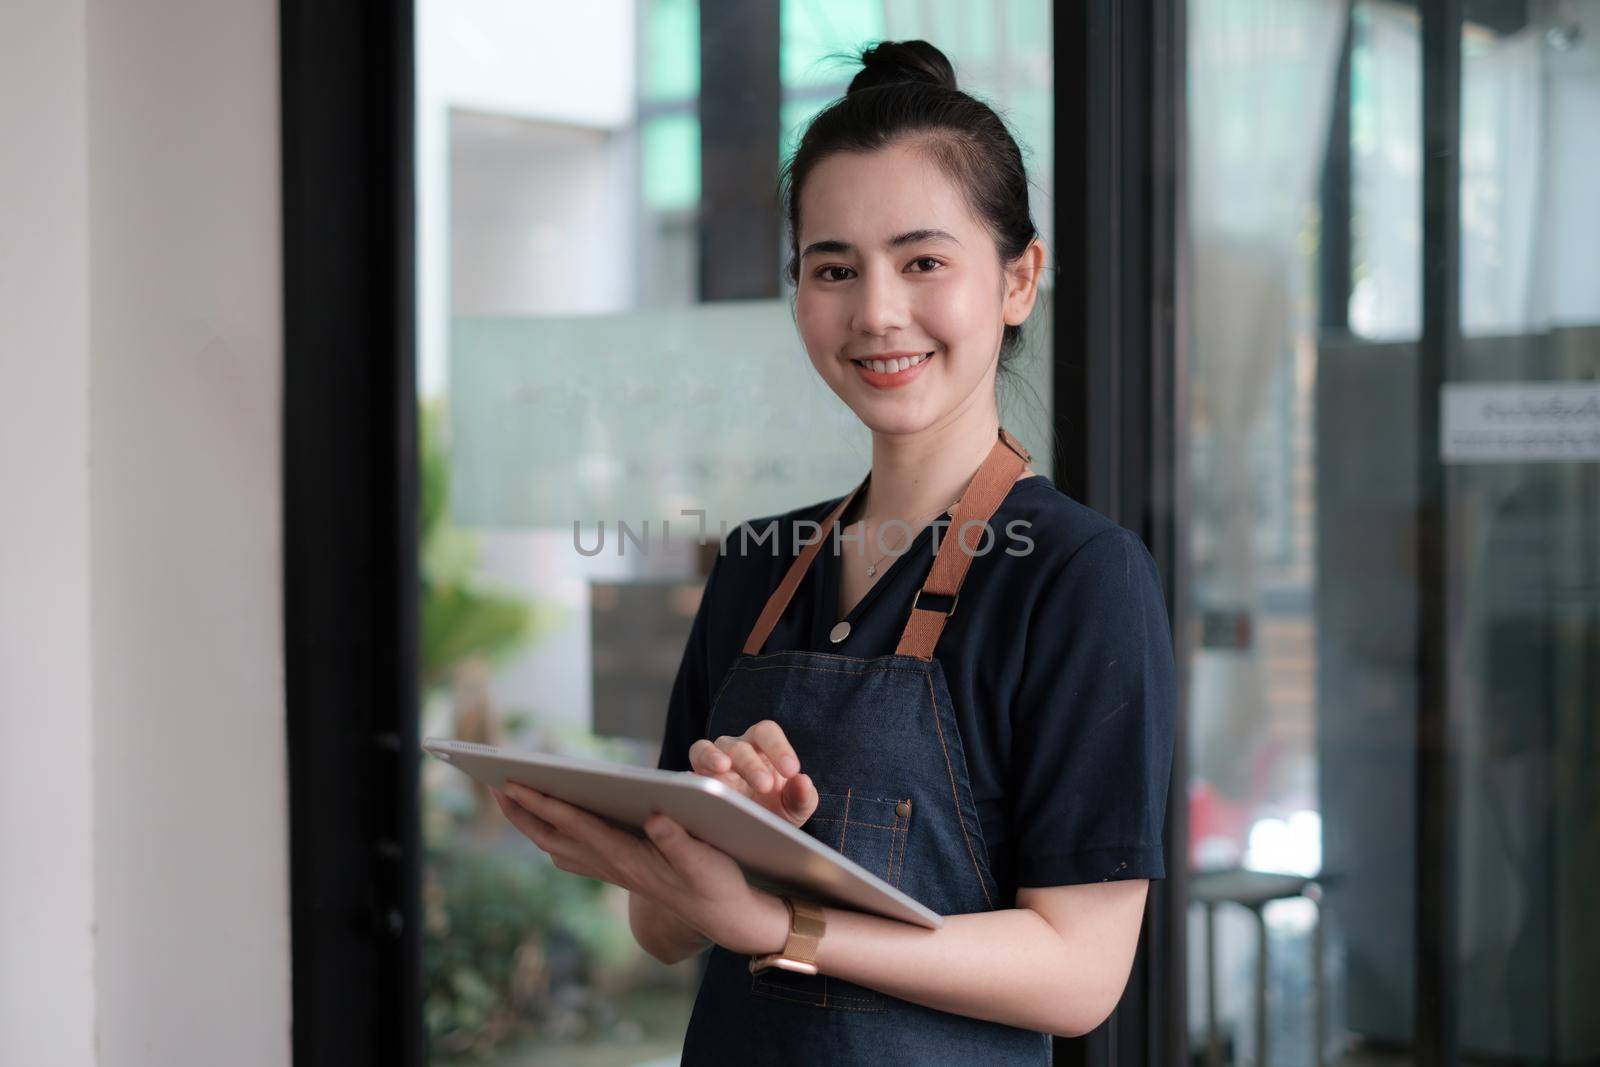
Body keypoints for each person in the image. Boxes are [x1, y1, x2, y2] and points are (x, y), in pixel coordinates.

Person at [490, 38, 1176, 1065]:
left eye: (923, 260)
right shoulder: (758, 563)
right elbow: (664, 928)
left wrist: (780, 923)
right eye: (833, 267)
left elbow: (1077, 973)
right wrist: (703, 836)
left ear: (1019, 278)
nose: (876, 312)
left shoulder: (1079, 577)